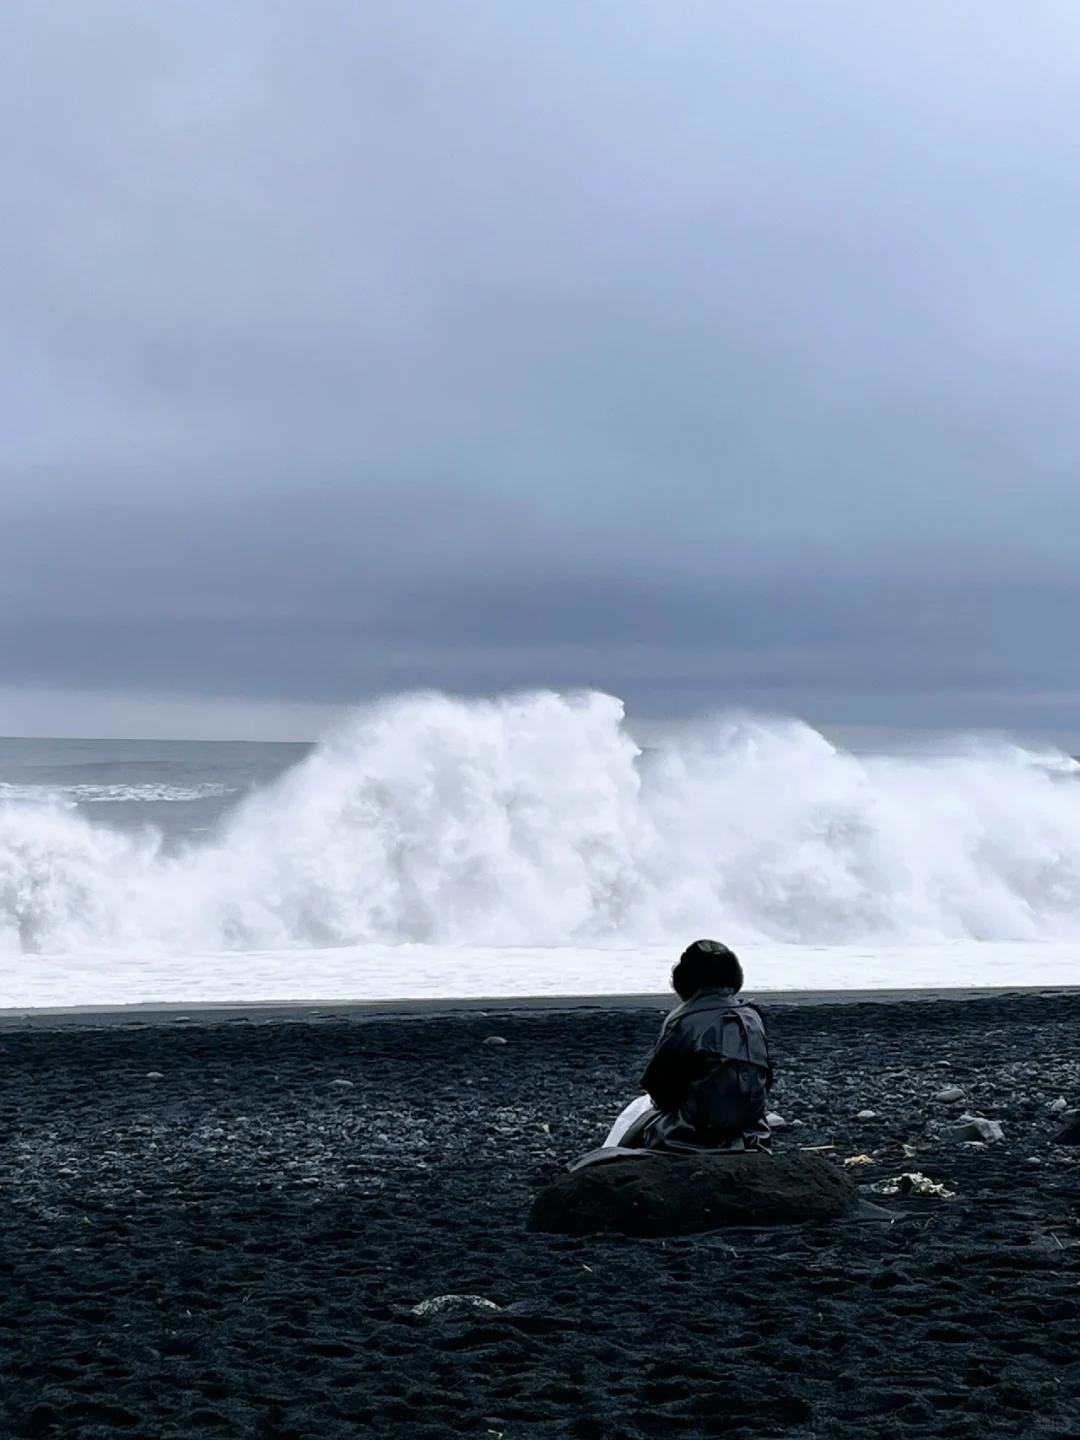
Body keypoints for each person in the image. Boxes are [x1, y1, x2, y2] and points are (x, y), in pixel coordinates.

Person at [620, 939, 774, 1153]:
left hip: (690, 1136)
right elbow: (765, 1079)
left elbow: (657, 1085)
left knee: (634, 1122)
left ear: (684, 980)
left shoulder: (684, 1021)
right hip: (751, 1132)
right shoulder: (752, 1018)